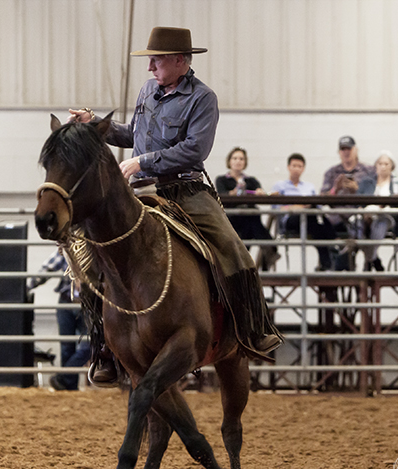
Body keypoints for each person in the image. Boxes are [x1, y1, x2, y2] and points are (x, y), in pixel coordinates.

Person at [69, 27, 283, 382]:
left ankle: (254, 329)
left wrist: (142, 162)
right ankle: (104, 351)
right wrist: (98, 126)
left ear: (180, 61)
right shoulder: (147, 92)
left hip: (186, 191)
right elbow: (132, 135)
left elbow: (194, 150)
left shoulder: (203, 98)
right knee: (94, 257)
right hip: (143, 192)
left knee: (233, 249)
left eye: (157, 60)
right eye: (150, 60)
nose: (150, 66)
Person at [27, 250, 91, 391]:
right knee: (67, 346)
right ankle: (68, 386)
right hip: (66, 301)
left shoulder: (94, 250)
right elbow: (48, 268)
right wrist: (28, 286)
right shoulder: (67, 250)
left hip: (89, 305)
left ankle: (63, 377)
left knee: (90, 345)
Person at [270, 153, 338, 271]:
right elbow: (276, 208)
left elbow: (318, 207)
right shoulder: (280, 186)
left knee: (318, 229)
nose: (296, 169)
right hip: (290, 220)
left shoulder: (308, 187)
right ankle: (334, 242)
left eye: (299, 166)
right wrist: (299, 207)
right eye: (294, 165)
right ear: (288, 167)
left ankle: (327, 262)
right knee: (316, 224)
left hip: (309, 219)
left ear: (303, 169)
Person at [215, 147, 279, 270]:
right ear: (229, 161)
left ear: (245, 162)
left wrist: (260, 192)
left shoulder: (251, 180)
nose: (238, 161)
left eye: (241, 159)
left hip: (249, 217)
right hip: (232, 217)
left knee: (251, 220)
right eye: (235, 158)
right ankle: (270, 249)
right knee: (251, 222)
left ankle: (243, 258)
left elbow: (259, 192)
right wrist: (234, 192)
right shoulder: (222, 179)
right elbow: (222, 196)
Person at [321, 136, 377, 270]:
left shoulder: (369, 171)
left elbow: (375, 193)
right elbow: (322, 197)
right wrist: (336, 189)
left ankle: (368, 264)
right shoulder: (331, 172)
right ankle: (335, 267)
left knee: (364, 228)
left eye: (349, 149)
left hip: (361, 218)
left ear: (355, 150)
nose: (346, 152)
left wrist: (358, 190)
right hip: (337, 220)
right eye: (343, 149)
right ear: (339, 152)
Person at [357, 150, 398, 271]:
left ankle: (368, 261)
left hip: (386, 216)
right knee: (356, 225)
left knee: (381, 222)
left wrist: (396, 198)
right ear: (376, 165)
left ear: (392, 167)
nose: (383, 167)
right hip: (366, 215)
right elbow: (358, 198)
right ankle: (374, 260)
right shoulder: (367, 182)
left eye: (386, 164)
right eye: (380, 163)